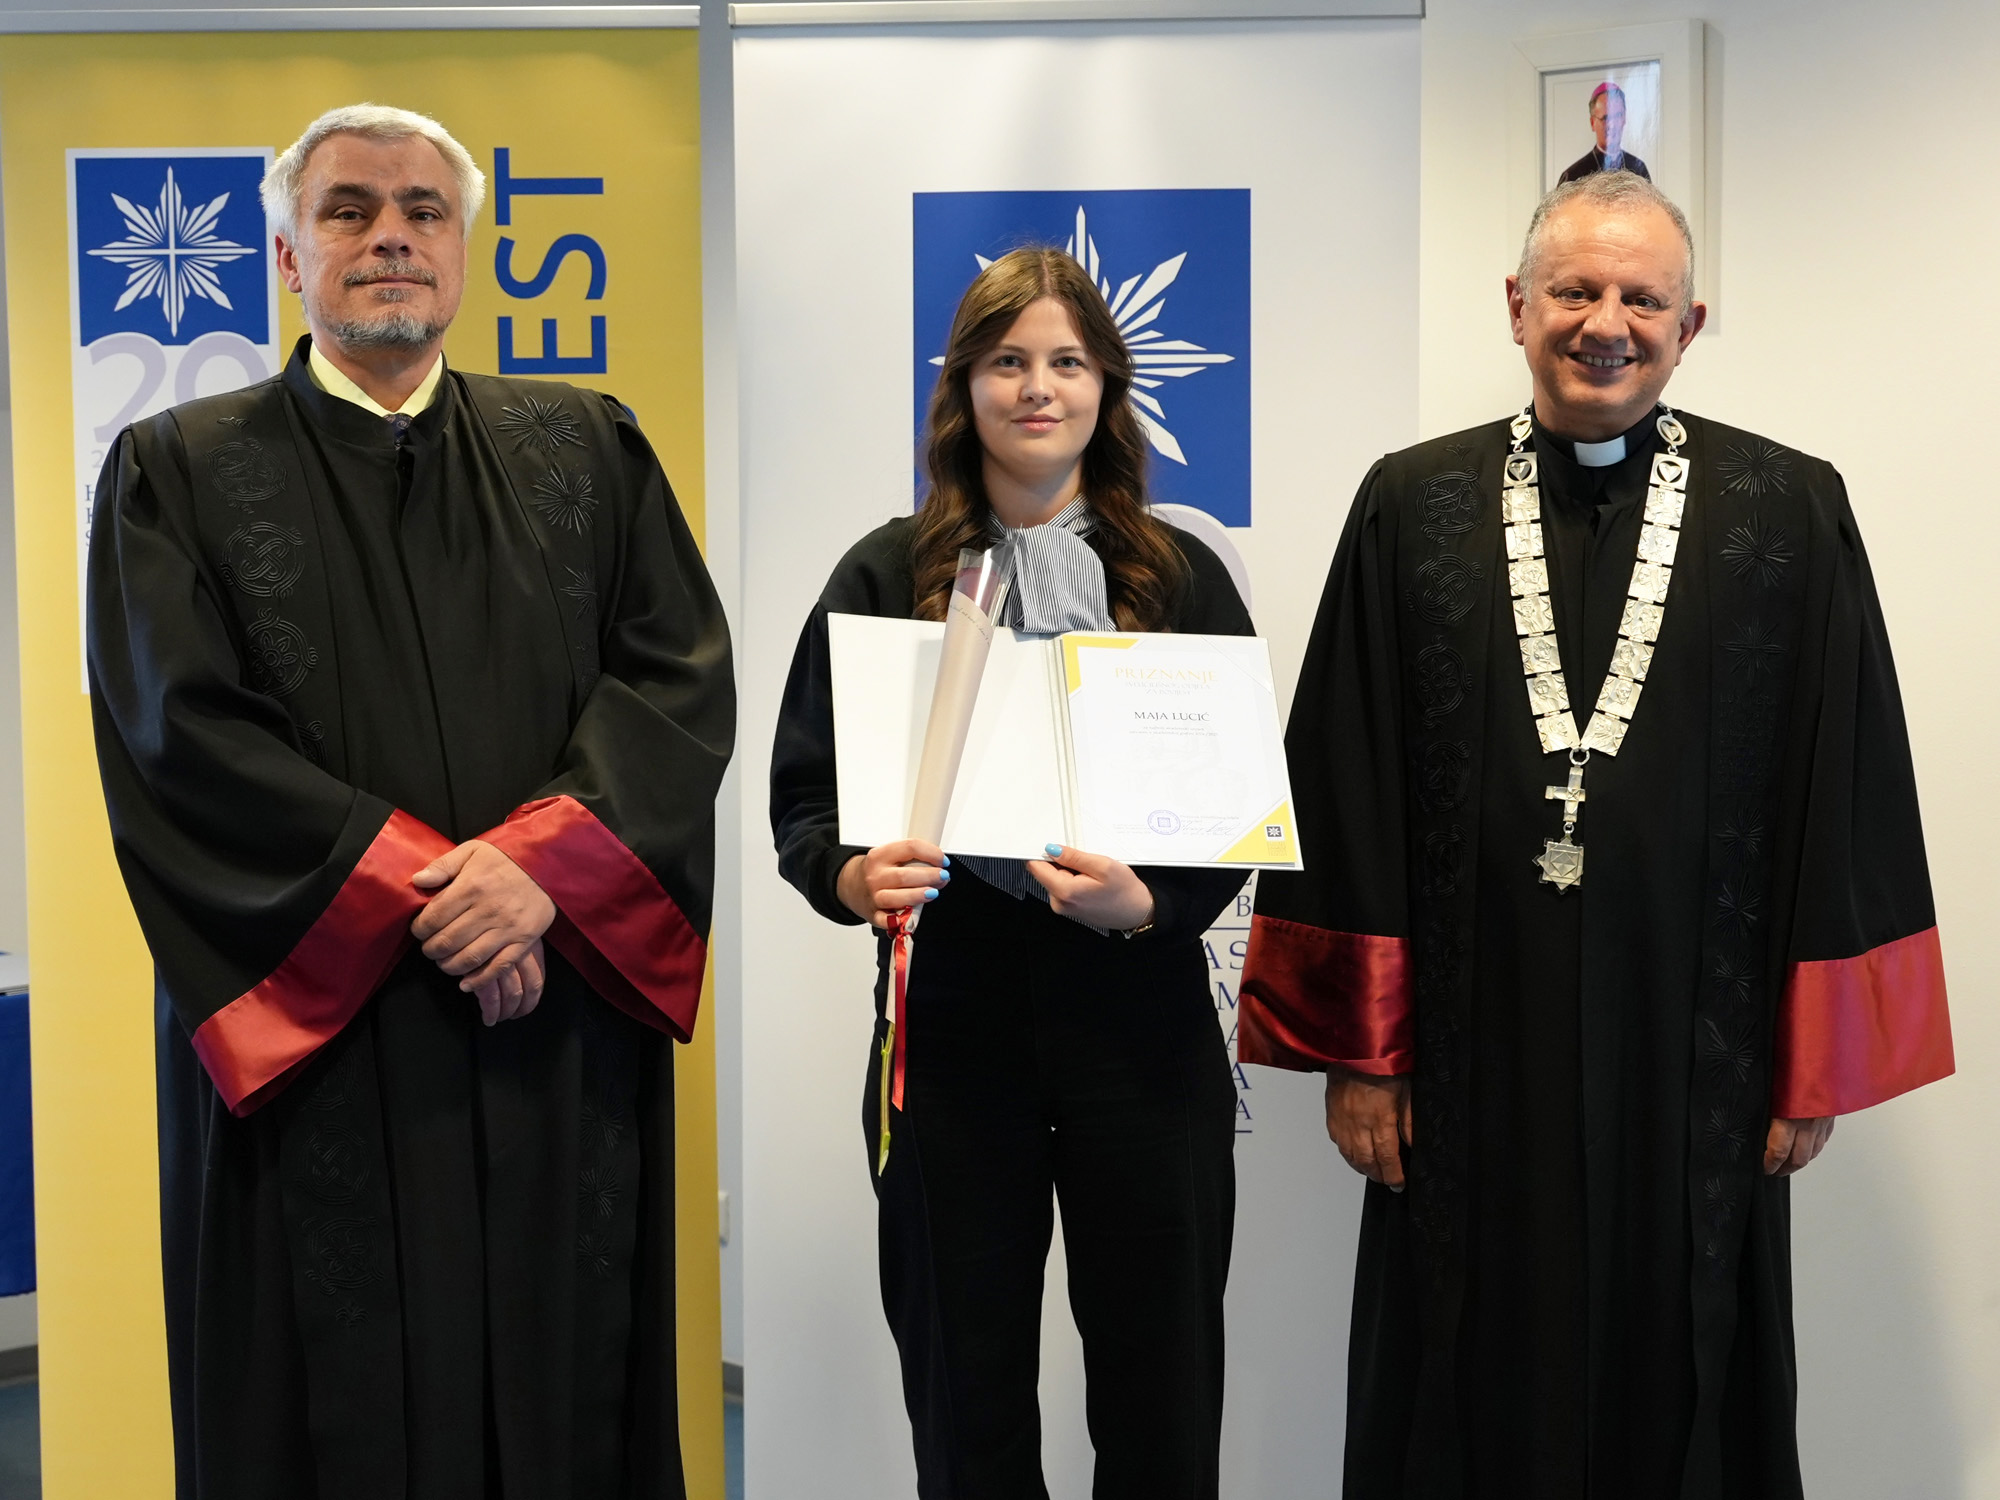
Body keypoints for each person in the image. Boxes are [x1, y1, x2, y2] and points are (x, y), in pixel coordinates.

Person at [1240, 171, 1951, 1499]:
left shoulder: (1788, 510)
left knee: (1684, 1371)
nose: (1605, 323)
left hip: (1701, 1051)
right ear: (1517, 305)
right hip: (1467, 1048)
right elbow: (1344, 776)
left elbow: (1846, 784)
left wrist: (1813, 1059)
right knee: (1459, 1367)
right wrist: (1360, 1058)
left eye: (1641, 298)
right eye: (1574, 290)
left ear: (1690, 324)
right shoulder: (1410, 504)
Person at [88, 104, 734, 1497]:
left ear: (463, 250)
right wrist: (434, 900)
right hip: (325, 1034)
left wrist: (539, 874)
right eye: (349, 210)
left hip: (548, 1020)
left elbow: (675, 684)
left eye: (423, 211)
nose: (391, 236)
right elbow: (177, 737)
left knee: (568, 1383)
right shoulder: (177, 470)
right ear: (286, 255)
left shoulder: (587, 451)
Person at [771, 248, 1250, 1499]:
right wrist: (851, 878)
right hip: (948, 1023)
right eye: (1006, 362)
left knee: (1159, 1387)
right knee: (964, 1387)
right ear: (962, 388)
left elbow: (1229, 815)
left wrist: (1148, 907)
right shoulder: (882, 573)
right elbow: (803, 801)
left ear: (1106, 386)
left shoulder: (1181, 575)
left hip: (1139, 1023)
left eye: (1066, 362)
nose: (1037, 388)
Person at [1558, 81, 1653, 184]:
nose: (1612, 125)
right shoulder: (1573, 176)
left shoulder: (1639, 170)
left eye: (1617, 116)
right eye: (1605, 118)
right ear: (1592, 123)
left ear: (1624, 118)